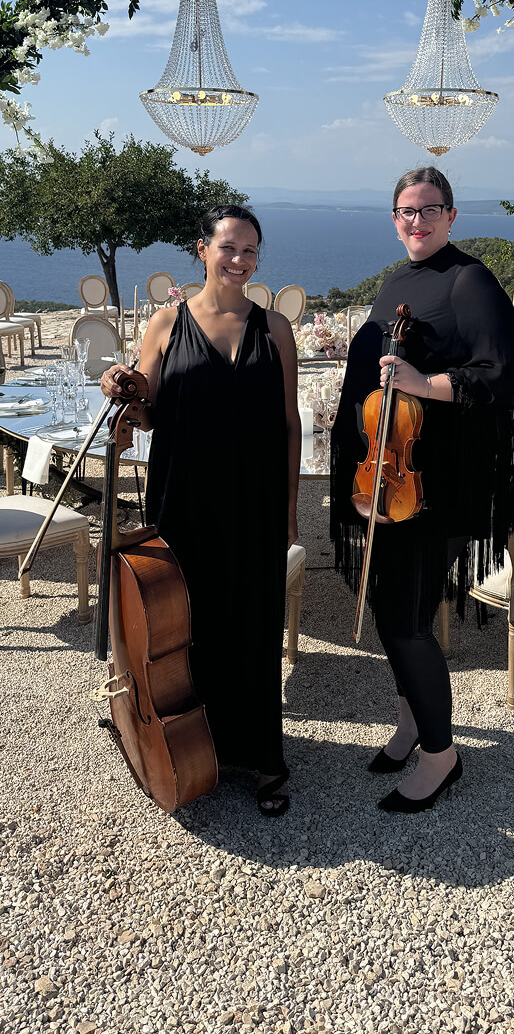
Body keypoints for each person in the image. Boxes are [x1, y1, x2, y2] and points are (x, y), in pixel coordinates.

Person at [330, 167, 514, 813]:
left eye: (427, 210)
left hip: (437, 483)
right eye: (403, 212)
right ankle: (413, 724)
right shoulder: (399, 281)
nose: (414, 222)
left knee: (403, 619)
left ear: (451, 215)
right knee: (398, 609)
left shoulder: (468, 279)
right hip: (392, 477)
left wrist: (423, 384)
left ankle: (442, 757)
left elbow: (502, 376)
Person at [101, 205, 301, 817]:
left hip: (255, 500)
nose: (239, 260)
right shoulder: (164, 324)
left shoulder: (276, 329)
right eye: (228, 248)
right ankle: (190, 743)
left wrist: (290, 510)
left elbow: (289, 422)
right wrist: (121, 389)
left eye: (250, 251)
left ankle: (263, 755)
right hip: (183, 497)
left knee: (254, 623)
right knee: (185, 625)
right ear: (202, 249)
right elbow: (147, 409)